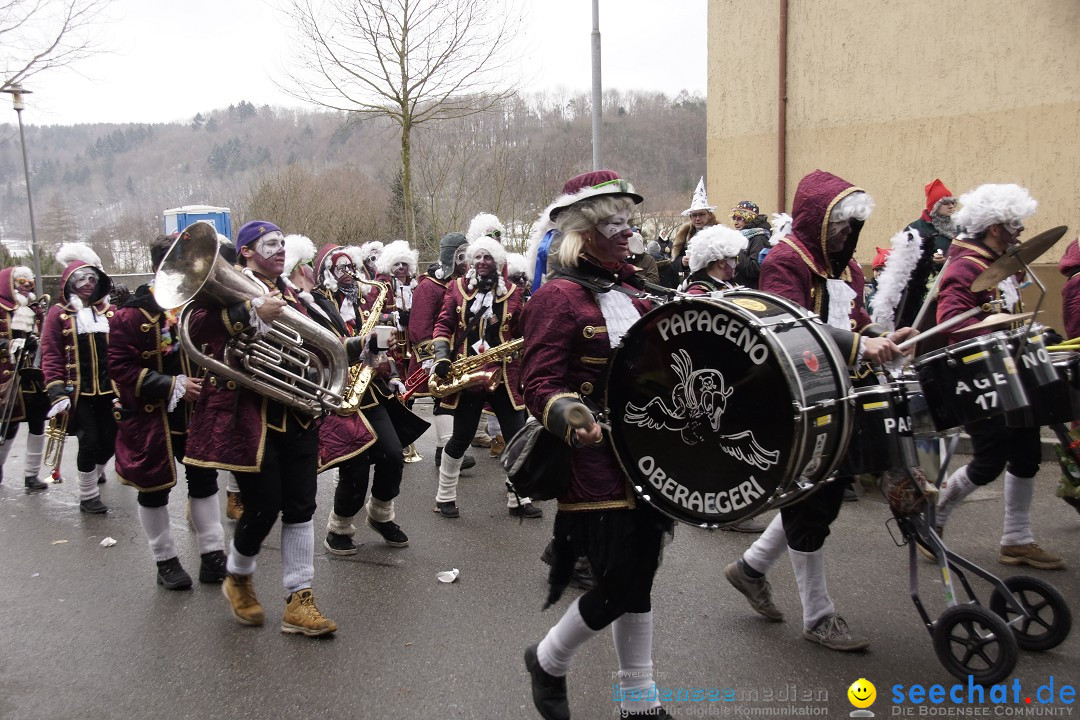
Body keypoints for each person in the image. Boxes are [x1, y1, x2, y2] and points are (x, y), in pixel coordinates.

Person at [723, 170, 915, 652]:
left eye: (852, 226)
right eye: (838, 225)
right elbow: (788, 328)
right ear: (816, 218)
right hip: (798, 397)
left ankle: (749, 569)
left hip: (844, 392)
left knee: (819, 493)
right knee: (814, 502)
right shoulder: (784, 262)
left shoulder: (846, 269)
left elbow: (856, 318)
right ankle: (818, 614)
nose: (846, 235)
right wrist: (859, 346)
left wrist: (880, 337)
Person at [520, 169, 673, 720]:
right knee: (619, 579)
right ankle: (548, 657)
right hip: (591, 460)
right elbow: (535, 382)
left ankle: (639, 697)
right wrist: (571, 414)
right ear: (583, 233)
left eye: (629, 222)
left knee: (641, 574)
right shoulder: (558, 298)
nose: (627, 233)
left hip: (647, 455)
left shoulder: (632, 291)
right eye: (615, 224)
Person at [183, 220, 338, 636]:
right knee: (264, 506)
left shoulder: (294, 293)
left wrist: (360, 349)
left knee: (302, 506)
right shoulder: (228, 286)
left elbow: (317, 344)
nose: (281, 250)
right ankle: (238, 575)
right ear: (247, 251)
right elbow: (196, 328)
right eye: (271, 244)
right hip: (250, 416)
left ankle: (299, 599)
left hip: (296, 409)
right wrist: (249, 310)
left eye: (283, 243)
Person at [933, 183, 1064, 570]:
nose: (1021, 231)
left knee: (1026, 455)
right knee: (989, 460)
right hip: (978, 377)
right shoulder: (965, 266)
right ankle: (934, 518)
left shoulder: (999, 263)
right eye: (1015, 225)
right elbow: (952, 323)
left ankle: (1017, 539)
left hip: (1010, 373)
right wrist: (995, 331)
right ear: (994, 228)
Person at [109, 235, 227, 590]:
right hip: (152, 416)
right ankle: (165, 560)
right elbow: (120, 368)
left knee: (204, 479)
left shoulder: (197, 306)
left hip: (194, 414)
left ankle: (213, 554)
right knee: (154, 488)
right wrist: (172, 384)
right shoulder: (129, 315)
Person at [308, 241, 425, 556]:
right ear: (327, 272)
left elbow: (381, 345)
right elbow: (318, 349)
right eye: (341, 268)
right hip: (336, 396)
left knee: (392, 455)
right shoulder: (314, 304)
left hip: (370, 391)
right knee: (355, 467)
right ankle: (340, 526)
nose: (349, 273)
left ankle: (381, 514)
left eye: (351, 267)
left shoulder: (361, 302)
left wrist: (395, 375)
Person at [431, 235, 541, 519]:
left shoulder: (515, 293)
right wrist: (442, 356)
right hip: (470, 375)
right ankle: (444, 496)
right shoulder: (456, 289)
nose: (481, 262)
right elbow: (443, 324)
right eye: (477, 257)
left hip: (504, 375)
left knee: (516, 437)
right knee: (461, 437)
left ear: (498, 262)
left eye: (487, 257)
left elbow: (522, 333)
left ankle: (518, 497)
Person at [42, 244, 116, 514]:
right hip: (78, 393)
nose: (88, 283)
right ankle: (88, 496)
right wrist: (57, 391)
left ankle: (95, 471)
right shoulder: (58, 315)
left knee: (111, 439)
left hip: (109, 391)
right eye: (81, 279)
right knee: (89, 441)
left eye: (92, 278)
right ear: (69, 283)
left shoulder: (109, 312)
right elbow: (51, 354)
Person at [406, 232, 478, 471]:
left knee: (448, 400)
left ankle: (443, 451)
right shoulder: (429, 286)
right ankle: (435, 449)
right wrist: (431, 357)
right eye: (461, 256)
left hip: (455, 354)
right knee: (441, 399)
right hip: (433, 355)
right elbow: (419, 326)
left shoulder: (462, 284)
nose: (465, 261)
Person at [870, 179, 959, 331]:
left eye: (952, 203)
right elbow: (902, 261)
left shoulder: (957, 227)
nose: (951, 206)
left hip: (951, 284)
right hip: (923, 292)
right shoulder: (916, 228)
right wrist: (928, 261)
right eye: (946, 203)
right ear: (935, 206)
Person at [0, 266, 52, 489]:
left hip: (33, 374)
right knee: (9, 427)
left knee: (38, 422)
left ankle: (32, 474)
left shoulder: (34, 308)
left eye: (29, 282)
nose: (26, 286)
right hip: (10, 376)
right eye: (21, 281)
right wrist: (14, 344)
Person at [671, 177, 718, 281]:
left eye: (701, 214)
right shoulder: (684, 233)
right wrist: (682, 262)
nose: (697, 219)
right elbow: (673, 263)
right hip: (692, 282)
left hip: (714, 282)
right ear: (690, 217)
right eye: (694, 215)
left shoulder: (718, 232)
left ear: (709, 215)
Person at [682, 225, 748, 295]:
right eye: (735, 258)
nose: (737, 263)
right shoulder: (698, 293)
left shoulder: (729, 284)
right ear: (721, 262)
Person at [729, 201, 773, 289]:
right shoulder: (741, 236)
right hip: (741, 288)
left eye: (740, 218)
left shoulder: (759, 237)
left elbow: (755, 268)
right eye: (734, 218)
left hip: (752, 290)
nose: (735, 223)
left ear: (750, 218)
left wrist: (735, 252)